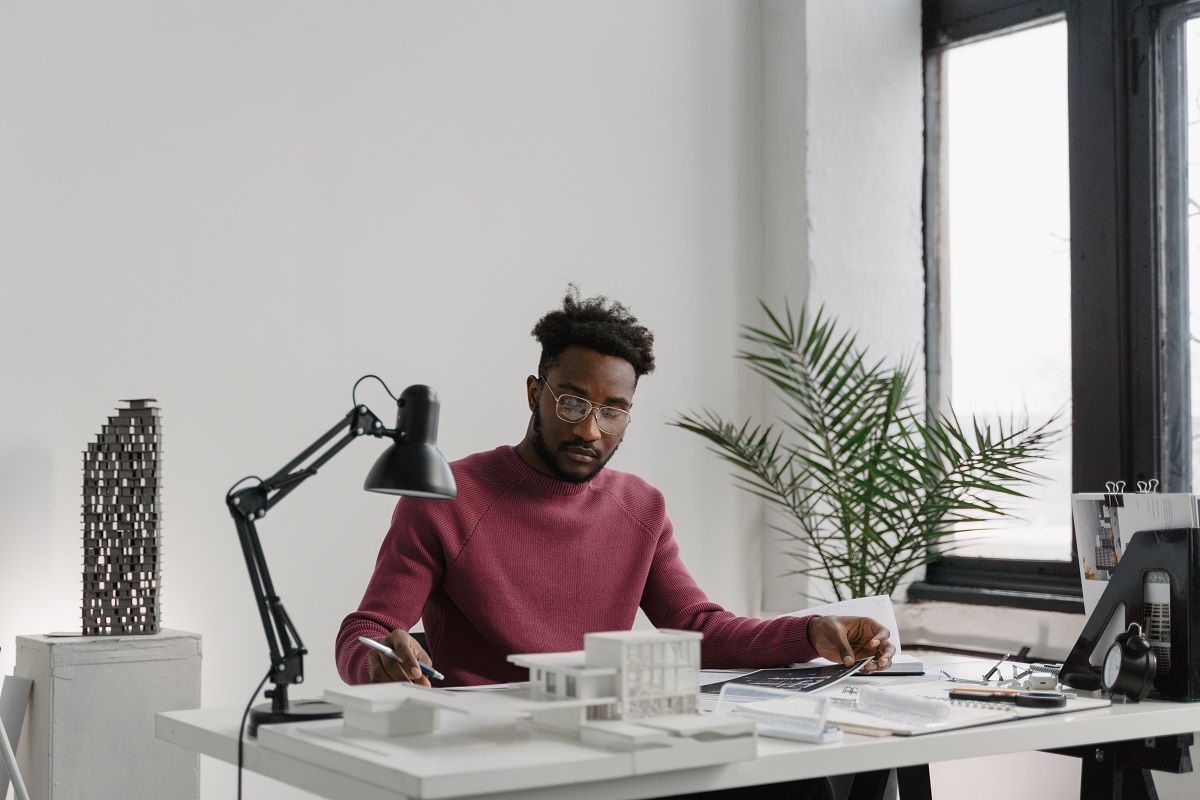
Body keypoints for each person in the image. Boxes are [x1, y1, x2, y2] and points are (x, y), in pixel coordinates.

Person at [335, 288, 894, 690]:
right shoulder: (446, 499)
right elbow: (367, 630)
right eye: (572, 402)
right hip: (491, 749)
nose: (589, 429)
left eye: (613, 410)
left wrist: (811, 631)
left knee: (800, 783)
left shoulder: (640, 508)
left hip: (608, 740)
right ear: (535, 393)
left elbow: (700, 629)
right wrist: (381, 657)